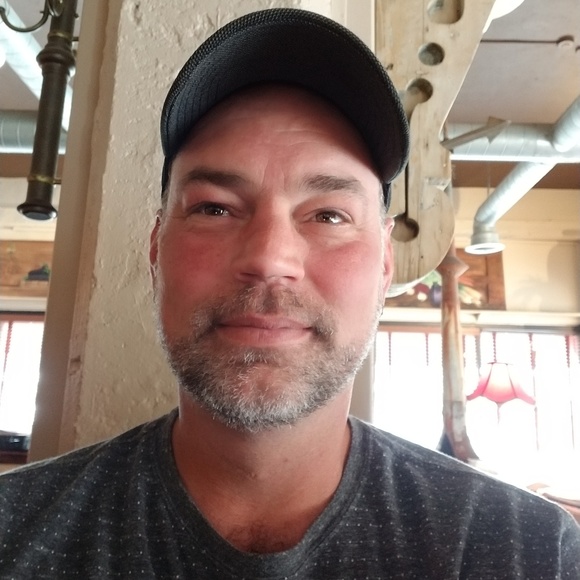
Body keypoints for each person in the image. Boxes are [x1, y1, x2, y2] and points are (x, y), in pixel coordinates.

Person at [0, 8, 578, 579]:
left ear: (384, 264)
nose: (269, 258)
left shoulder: (530, 552)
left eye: (328, 215)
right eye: (215, 208)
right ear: (156, 249)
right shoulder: (14, 531)